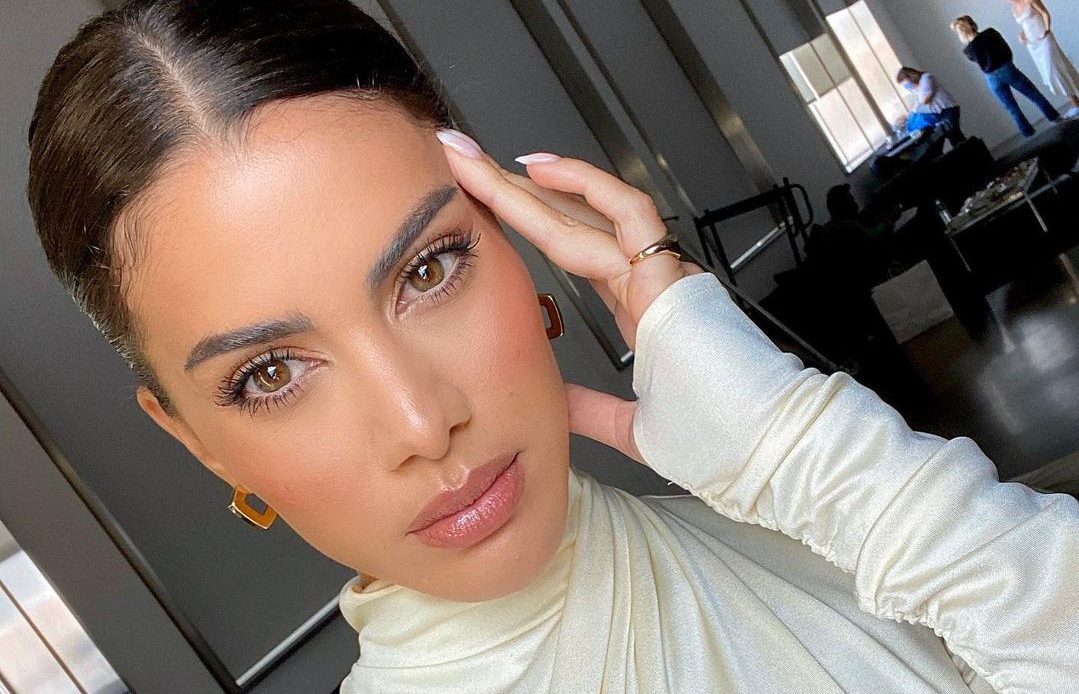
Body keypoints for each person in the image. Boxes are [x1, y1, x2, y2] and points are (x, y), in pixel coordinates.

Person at [27, 1, 1079, 692]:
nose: (421, 421)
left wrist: (807, 455)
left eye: (426, 271)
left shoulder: (801, 512)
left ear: (515, 230)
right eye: (268, 373)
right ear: (195, 438)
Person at [952, 15, 1061, 136]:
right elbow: (1005, 47)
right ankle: (1054, 118)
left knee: (1011, 108)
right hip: (1006, 68)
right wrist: (1008, 61)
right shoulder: (990, 33)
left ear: (962, 33)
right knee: (1032, 93)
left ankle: (1028, 133)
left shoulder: (968, 51)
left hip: (991, 78)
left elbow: (980, 63)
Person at [1009, 0, 1079, 117]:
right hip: (1032, 44)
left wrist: (1046, 30)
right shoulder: (1014, 9)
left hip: (1044, 38)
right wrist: (1022, 35)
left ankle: (1075, 102)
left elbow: (1044, 13)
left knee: (1053, 71)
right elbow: (1025, 24)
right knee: (1050, 74)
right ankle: (1075, 102)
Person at [896, 66, 965, 147]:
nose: (907, 87)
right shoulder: (916, 88)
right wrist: (908, 116)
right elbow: (917, 106)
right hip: (939, 113)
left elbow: (924, 100)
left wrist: (917, 90)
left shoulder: (926, 78)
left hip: (948, 110)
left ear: (910, 76)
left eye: (906, 84)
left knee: (954, 136)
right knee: (954, 137)